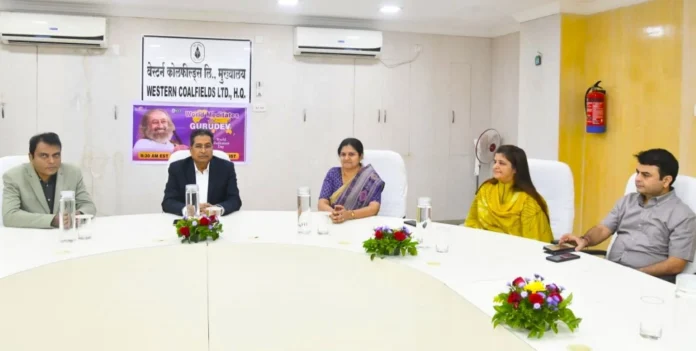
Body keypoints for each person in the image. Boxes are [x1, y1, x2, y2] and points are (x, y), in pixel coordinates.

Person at [560, 149, 696, 283]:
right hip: (611, 274)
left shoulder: (683, 215)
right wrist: (585, 240)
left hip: (649, 282)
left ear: (666, 181)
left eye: (646, 175)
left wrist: (636, 274)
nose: (637, 179)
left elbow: (676, 264)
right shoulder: (627, 201)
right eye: (637, 173)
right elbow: (603, 229)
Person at [2, 132, 96, 229]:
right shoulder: (13, 177)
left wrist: (78, 214)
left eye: (56, 155)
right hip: (30, 237)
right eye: (44, 156)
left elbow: (88, 206)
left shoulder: (73, 173)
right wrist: (52, 220)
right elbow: (9, 216)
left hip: (66, 235)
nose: (51, 161)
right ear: (31, 157)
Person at [464, 145, 553, 243]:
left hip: (515, 253)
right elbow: (471, 222)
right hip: (481, 247)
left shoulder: (527, 201)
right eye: (495, 162)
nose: (495, 166)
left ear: (515, 169)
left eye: (502, 163)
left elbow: (534, 242)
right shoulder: (485, 189)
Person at [162, 129, 241, 216]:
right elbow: (168, 202)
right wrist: (189, 210)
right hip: (187, 222)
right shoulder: (177, 168)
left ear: (212, 148)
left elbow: (235, 200)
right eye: (198, 146)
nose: (203, 151)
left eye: (207, 146)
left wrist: (217, 209)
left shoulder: (226, 167)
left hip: (217, 221)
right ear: (191, 150)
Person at [318, 138, 385, 224]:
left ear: (360, 156)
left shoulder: (370, 179)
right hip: (334, 222)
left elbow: (374, 208)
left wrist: (349, 215)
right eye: (343, 154)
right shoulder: (333, 173)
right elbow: (322, 203)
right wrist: (335, 213)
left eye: (351, 154)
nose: (346, 158)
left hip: (360, 223)